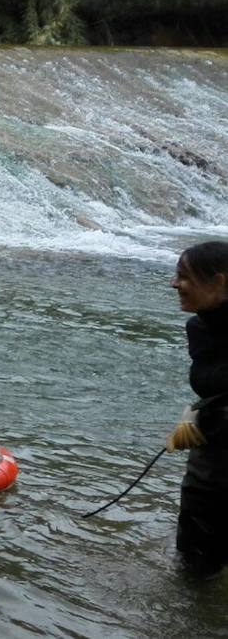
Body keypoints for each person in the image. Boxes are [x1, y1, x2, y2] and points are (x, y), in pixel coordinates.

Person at [165, 240, 228, 578]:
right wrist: (198, 414)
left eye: (184, 276)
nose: (175, 284)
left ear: (219, 283)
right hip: (211, 454)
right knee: (194, 562)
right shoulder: (201, 327)